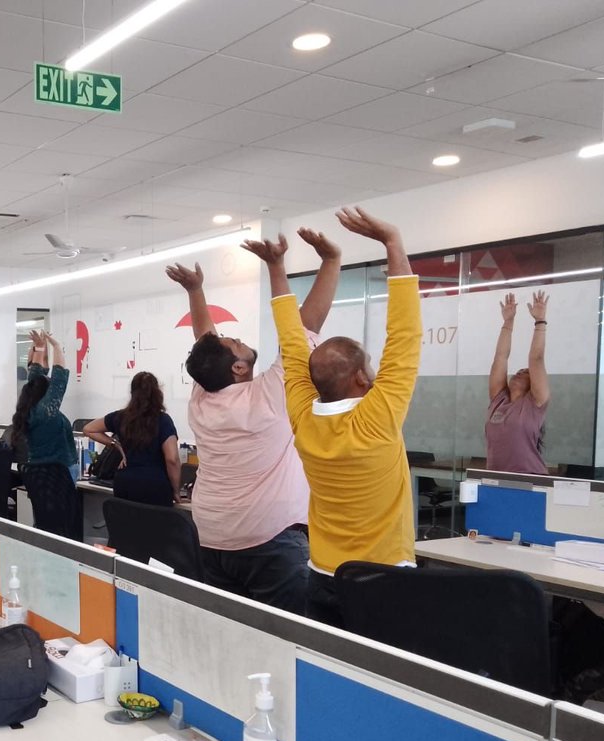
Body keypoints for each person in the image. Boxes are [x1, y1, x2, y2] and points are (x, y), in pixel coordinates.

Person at [168, 227, 339, 613]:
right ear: (240, 367)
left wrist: (195, 291)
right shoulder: (271, 396)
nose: (234, 336)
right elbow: (303, 327)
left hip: (212, 535)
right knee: (290, 637)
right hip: (269, 539)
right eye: (233, 341)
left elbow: (204, 342)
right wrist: (315, 262)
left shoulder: (203, 396)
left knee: (234, 630)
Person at [269, 207, 420, 627]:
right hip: (383, 578)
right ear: (360, 377)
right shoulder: (379, 416)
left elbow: (292, 345)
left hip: (322, 576)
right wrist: (392, 242)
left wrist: (277, 268)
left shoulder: (304, 419)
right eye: (369, 365)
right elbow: (405, 334)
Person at [11, 330, 80, 540]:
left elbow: (35, 376)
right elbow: (59, 378)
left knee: (46, 520)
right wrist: (57, 347)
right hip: (61, 470)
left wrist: (40, 348)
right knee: (62, 522)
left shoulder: (29, 409)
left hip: (40, 474)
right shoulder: (46, 411)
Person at [83, 372, 181, 506]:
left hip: (125, 484)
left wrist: (115, 444)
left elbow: (88, 429)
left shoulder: (120, 417)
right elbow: (172, 459)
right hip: (154, 486)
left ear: (132, 393)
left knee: (128, 525)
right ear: (157, 393)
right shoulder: (163, 420)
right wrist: (175, 490)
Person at [486, 291, 550, 474]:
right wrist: (508, 322)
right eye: (519, 371)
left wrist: (540, 322)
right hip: (495, 478)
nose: (520, 372)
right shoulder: (499, 399)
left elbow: (536, 358)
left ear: (533, 385)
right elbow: (501, 357)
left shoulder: (535, 403)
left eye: (526, 373)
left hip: (530, 479)